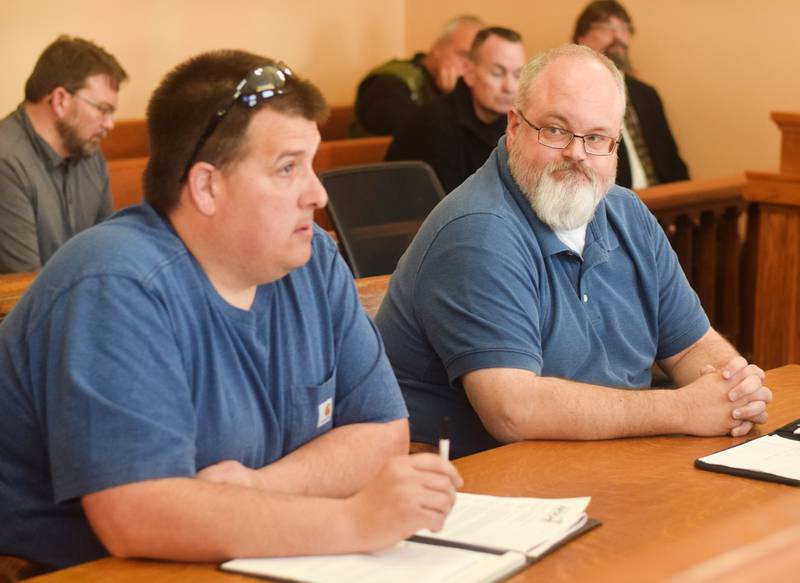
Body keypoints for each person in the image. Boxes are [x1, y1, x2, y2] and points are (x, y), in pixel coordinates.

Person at [0, 49, 461, 573]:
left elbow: (384, 435)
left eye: (311, 163)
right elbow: (136, 515)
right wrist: (353, 522)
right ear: (207, 186)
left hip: (240, 557)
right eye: (288, 168)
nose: (317, 192)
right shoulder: (115, 282)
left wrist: (259, 488)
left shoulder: (314, 260)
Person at [375, 45, 771, 459]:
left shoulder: (627, 213)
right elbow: (514, 410)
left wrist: (732, 386)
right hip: (472, 483)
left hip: (603, 462)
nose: (577, 153)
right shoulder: (477, 231)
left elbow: (690, 346)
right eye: (556, 130)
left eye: (597, 137)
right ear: (514, 126)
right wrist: (684, 408)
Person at [0, 35, 127, 273]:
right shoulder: (6, 162)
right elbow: (23, 291)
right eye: (102, 109)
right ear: (60, 100)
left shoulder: (90, 151)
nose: (110, 124)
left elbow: (107, 250)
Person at [386, 27, 525, 193]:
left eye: (517, 75)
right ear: (469, 72)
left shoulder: (514, 123)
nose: (509, 87)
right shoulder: (435, 124)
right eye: (497, 73)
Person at [573, 1, 688, 189]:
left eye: (624, 29)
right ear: (581, 38)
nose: (618, 37)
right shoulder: (572, 96)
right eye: (606, 28)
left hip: (664, 211)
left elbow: (673, 163)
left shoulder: (647, 95)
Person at [350, 15, 483, 137]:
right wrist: (451, 100)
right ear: (437, 48)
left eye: (476, 61)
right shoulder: (390, 84)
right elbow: (419, 138)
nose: (468, 68)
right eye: (464, 55)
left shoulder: (467, 90)